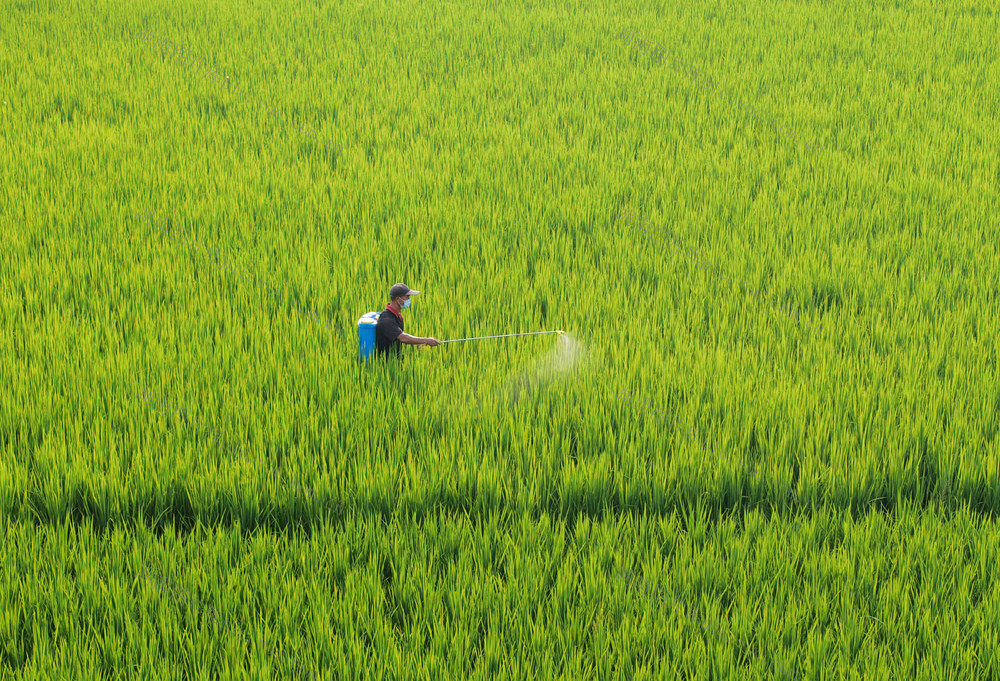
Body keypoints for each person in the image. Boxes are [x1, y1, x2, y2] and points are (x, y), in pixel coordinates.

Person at [374, 283, 441, 357]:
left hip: (395, 357)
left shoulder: (397, 315)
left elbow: (397, 335)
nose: (409, 299)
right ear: (397, 299)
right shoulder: (386, 320)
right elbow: (403, 338)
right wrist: (427, 340)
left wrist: (416, 343)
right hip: (384, 362)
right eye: (407, 297)